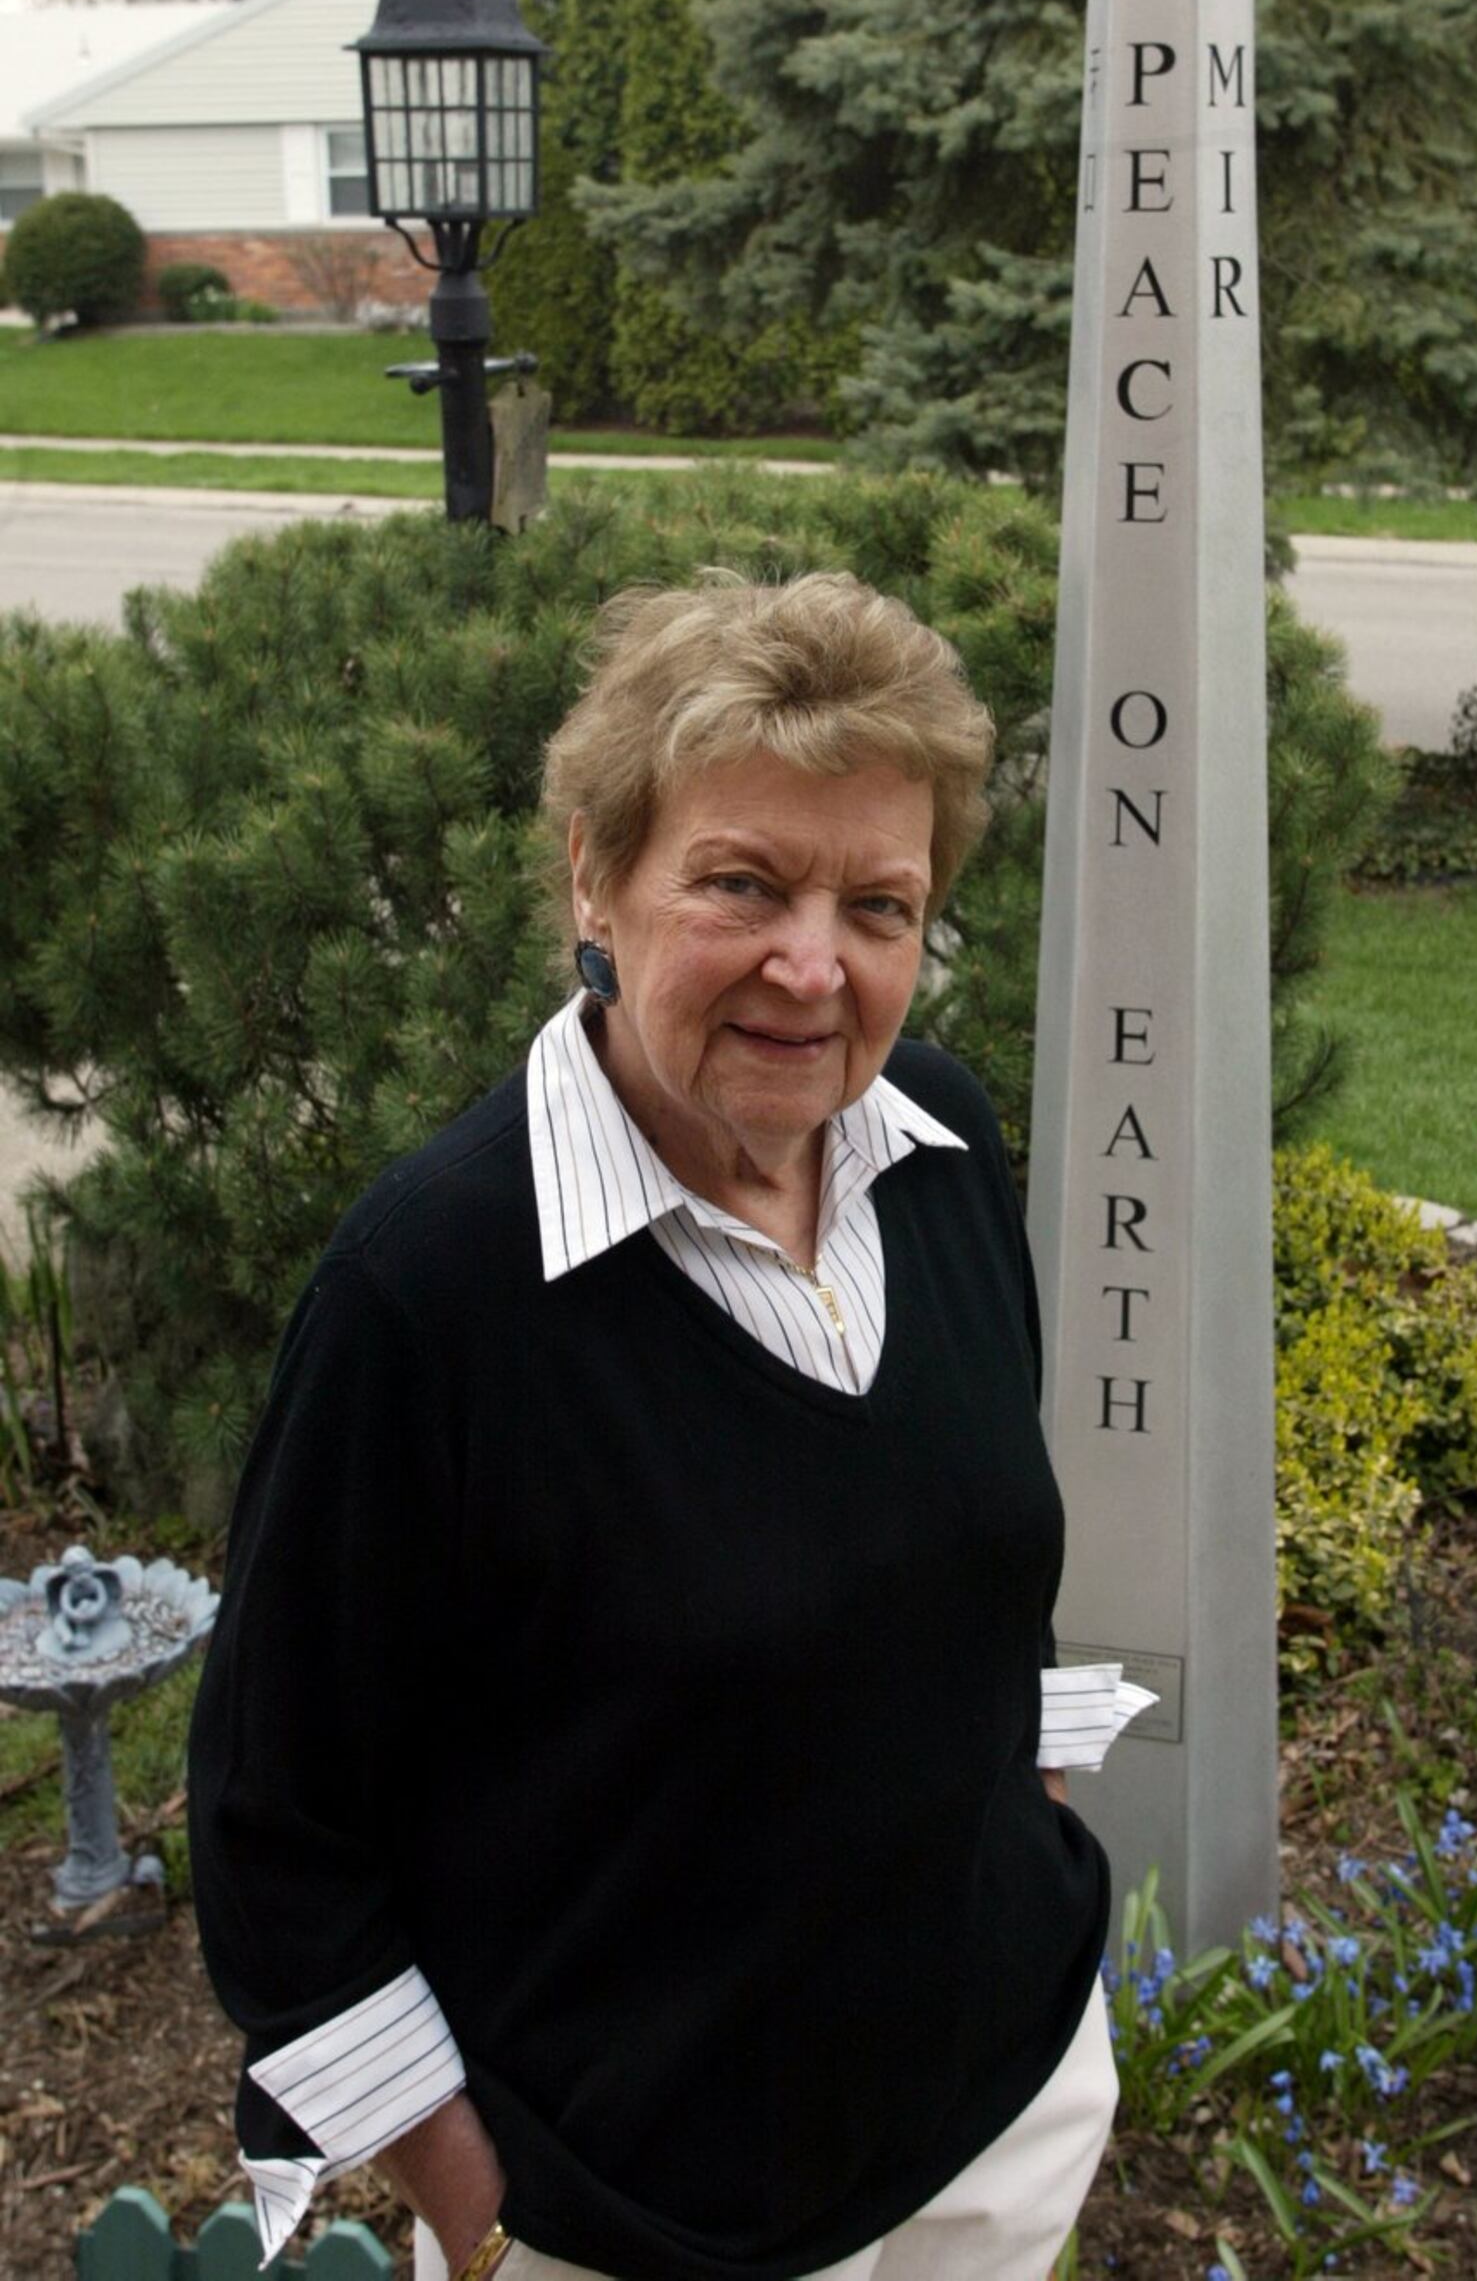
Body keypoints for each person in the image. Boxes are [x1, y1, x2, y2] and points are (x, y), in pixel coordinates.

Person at [188, 569, 1127, 2281]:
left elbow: (990, 1544)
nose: (812, 963)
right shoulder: (436, 1291)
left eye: (881, 904)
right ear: (594, 879)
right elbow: (277, 1830)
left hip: (1002, 2127)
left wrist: (1034, 1819)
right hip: (646, 2222)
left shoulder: (939, 1147)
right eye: (742, 881)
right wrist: (490, 2211)